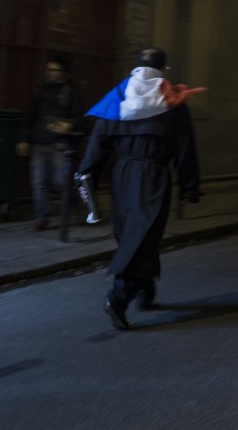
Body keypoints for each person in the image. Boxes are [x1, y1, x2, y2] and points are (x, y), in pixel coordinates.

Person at [76, 47, 205, 330]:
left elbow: (99, 140)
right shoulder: (172, 102)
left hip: (121, 175)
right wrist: (190, 185)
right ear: (164, 68)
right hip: (153, 175)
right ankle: (119, 297)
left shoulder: (118, 97)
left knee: (134, 235)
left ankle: (146, 291)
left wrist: (88, 175)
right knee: (144, 236)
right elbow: (184, 146)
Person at [16, 55, 85, 231]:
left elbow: (81, 119)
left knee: (61, 181)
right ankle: (42, 217)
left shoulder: (70, 92)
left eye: (56, 70)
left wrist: (69, 125)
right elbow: (29, 116)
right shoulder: (39, 91)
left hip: (60, 144)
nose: (52, 74)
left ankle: (74, 207)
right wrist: (24, 139)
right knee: (39, 182)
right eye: (49, 70)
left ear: (64, 72)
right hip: (39, 143)